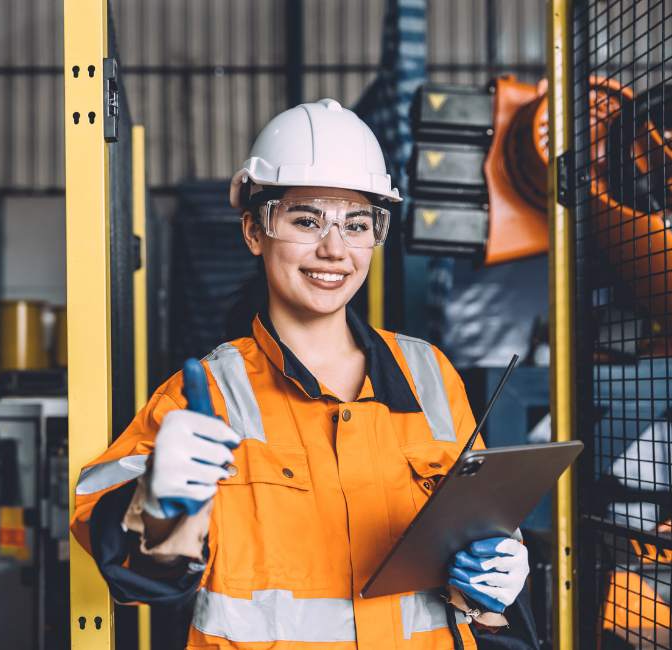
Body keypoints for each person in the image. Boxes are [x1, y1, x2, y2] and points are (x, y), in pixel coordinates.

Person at [71, 99, 536, 649]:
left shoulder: (428, 374)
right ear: (254, 231)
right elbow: (123, 559)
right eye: (307, 220)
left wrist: (494, 584)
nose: (334, 249)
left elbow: (480, 525)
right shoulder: (207, 398)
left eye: (356, 224)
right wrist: (153, 504)